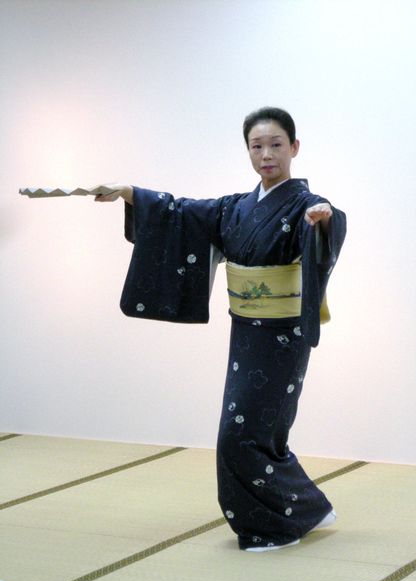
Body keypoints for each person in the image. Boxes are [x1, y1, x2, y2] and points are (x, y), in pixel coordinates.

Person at [95, 107, 346, 551]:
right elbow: (182, 212)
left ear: (294, 148)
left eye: (276, 145)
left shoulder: (306, 206)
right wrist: (131, 194)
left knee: (243, 433)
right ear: (247, 150)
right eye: (257, 146)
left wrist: (323, 222)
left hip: (283, 334)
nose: (266, 154)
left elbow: (327, 225)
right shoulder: (236, 207)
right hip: (246, 331)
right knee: (254, 431)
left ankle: (279, 523)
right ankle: (305, 508)